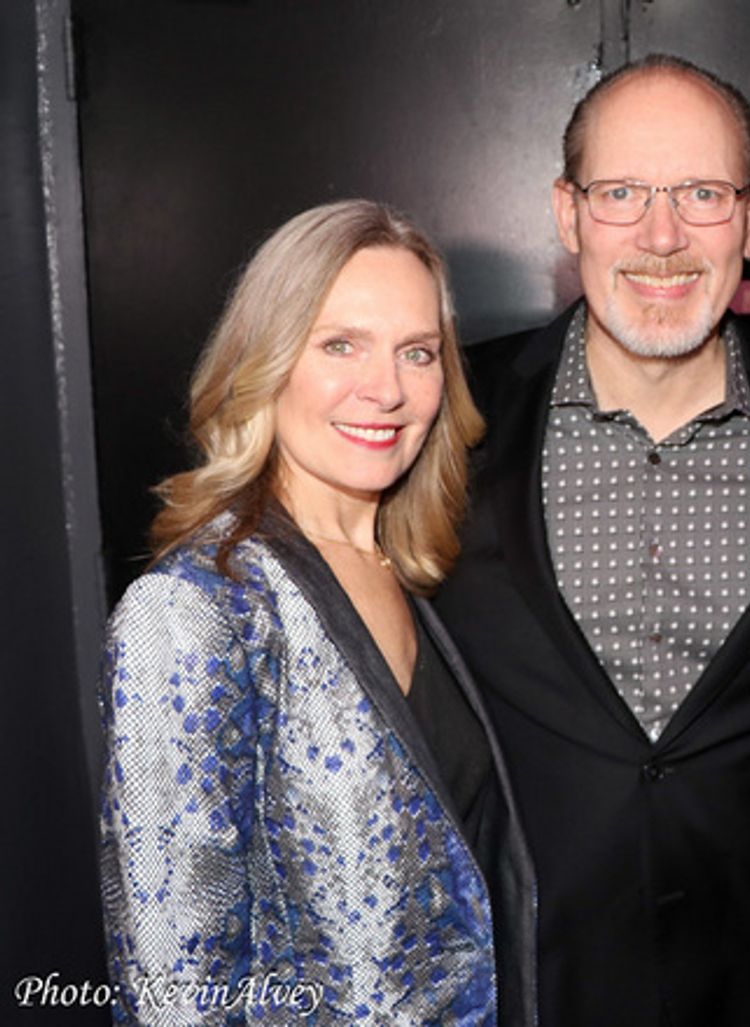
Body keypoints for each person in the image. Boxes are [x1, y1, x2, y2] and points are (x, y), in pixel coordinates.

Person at [433, 54, 750, 1027]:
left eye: (702, 192)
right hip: (520, 982)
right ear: (568, 216)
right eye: (621, 193)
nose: (662, 236)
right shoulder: (446, 418)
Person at [98, 200, 536, 1026]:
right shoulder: (198, 609)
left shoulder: (412, 575)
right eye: (340, 344)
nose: (387, 389)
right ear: (265, 360)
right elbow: (174, 995)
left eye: (418, 352)